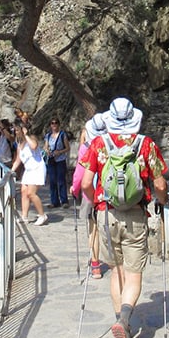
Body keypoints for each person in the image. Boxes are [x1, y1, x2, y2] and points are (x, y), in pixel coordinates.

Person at [81, 97, 168, 338]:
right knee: (133, 275)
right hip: (135, 216)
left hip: (106, 214)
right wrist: (161, 202)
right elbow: (160, 185)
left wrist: (95, 204)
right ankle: (126, 320)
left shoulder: (99, 144)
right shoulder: (146, 145)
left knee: (116, 273)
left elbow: (86, 182)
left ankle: (123, 325)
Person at [70, 113, 107, 279]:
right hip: (108, 193)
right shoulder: (110, 145)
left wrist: (75, 189)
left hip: (90, 193)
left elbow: (80, 172)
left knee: (93, 229)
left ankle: (95, 265)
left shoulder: (86, 147)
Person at [10, 118, 48, 226]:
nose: (15, 132)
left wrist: (26, 135)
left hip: (37, 168)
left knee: (31, 193)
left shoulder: (31, 138)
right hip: (28, 170)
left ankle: (42, 215)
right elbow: (18, 159)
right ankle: (24, 216)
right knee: (23, 192)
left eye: (17, 130)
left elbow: (34, 146)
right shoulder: (19, 143)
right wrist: (11, 171)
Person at [44, 117, 71, 208]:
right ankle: (54, 201)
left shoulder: (62, 135)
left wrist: (59, 152)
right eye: (52, 123)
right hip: (51, 159)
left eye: (55, 123)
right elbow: (45, 146)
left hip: (60, 160)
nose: (54, 125)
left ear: (58, 124)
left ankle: (64, 201)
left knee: (61, 180)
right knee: (52, 180)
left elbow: (67, 148)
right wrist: (47, 150)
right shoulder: (48, 136)